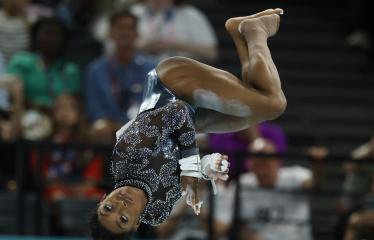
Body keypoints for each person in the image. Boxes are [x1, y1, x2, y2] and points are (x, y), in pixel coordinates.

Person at [89, 8, 287, 239]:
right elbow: (175, 167)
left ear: (101, 201)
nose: (120, 205)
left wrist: (192, 166)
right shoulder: (156, 212)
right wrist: (207, 166)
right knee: (265, 107)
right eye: (123, 219)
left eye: (109, 209)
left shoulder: (127, 154)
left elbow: (176, 111)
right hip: (191, 119)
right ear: (134, 226)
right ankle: (240, 31)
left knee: (273, 104)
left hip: (173, 85)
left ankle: (253, 31)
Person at [85, 11, 157, 144]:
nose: (124, 33)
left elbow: (155, 106)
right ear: (110, 33)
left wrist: (130, 127)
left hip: (142, 129)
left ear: (137, 34)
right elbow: (95, 110)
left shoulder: (153, 68)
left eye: (129, 28)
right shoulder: (95, 70)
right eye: (119, 28)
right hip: (108, 130)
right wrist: (114, 126)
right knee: (99, 130)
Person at [6, 17, 81, 110]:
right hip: (25, 116)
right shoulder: (21, 62)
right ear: (36, 36)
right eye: (47, 33)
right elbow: (12, 98)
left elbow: (76, 104)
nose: (51, 39)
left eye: (56, 34)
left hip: (61, 120)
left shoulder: (70, 70)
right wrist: (40, 107)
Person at [131, 0, 218, 63]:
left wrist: (172, 45)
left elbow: (211, 53)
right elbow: (118, 46)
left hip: (181, 74)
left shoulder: (190, 15)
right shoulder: (134, 12)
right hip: (140, 73)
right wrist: (141, 46)